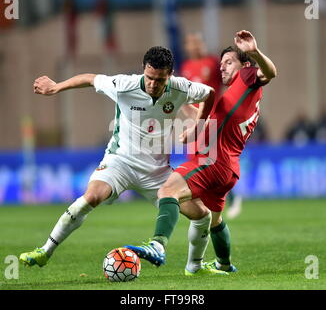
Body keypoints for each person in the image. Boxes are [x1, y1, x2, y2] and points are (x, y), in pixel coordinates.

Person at [19, 46, 227, 275]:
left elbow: (208, 94)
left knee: (202, 215)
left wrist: (198, 125)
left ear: (170, 75)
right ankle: (45, 251)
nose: (153, 84)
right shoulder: (123, 85)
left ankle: (194, 267)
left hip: (157, 172)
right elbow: (90, 78)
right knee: (91, 197)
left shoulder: (179, 87)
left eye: (160, 80)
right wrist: (56, 87)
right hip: (121, 162)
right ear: (143, 71)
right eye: (149, 77)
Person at [125, 30, 277, 273]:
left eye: (229, 62)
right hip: (227, 167)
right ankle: (224, 265)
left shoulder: (248, 77)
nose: (223, 68)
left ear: (245, 64)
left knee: (167, 190)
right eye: (221, 64)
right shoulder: (232, 98)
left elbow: (270, 72)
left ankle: (158, 244)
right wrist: (183, 108)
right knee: (214, 220)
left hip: (213, 161)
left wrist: (254, 52)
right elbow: (201, 115)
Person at [181, 32, 243, 220]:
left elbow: (232, 77)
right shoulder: (186, 67)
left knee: (212, 162)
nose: (196, 46)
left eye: (198, 42)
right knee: (197, 162)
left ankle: (230, 198)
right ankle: (208, 205)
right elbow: (185, 96)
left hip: (215, 121)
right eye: (192, 43)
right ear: (187, 47)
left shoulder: (214, 63)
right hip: (196, 121)